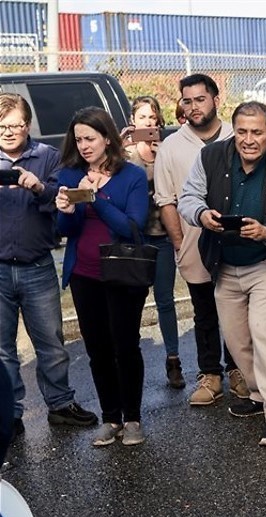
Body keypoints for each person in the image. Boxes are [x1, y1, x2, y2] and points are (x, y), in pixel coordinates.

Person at [178, 101, 266, 446]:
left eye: (257, 132)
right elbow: (187, 198)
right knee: (237, 340)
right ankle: (256, 393)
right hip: (224, 263)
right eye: (241, 131)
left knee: (264, 334)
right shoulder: (211, 157)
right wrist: (202, 215)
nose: (248, 139)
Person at [0, 93, 97, 442]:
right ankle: (10, 414)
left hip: (37, 264)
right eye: (3, 126)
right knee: (3, 348)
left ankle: (60, 405)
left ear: (28, 126)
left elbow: (63, 198)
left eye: (16, 125)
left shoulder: (46, 156)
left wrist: (38, 186)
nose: (10, 132)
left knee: (52, 343)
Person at [55, 107, 150, 447]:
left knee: (125, 346)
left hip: (122, 272)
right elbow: (66, 229)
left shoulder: (132, 176)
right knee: (97, 349)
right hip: (84, 274)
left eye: (90, 138)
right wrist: (67, 210)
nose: (83, 145)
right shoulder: (69, 174)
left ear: (107, 138)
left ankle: (133, 418)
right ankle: (111, 418)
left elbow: (132, 227)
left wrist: (98, 197)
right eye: (78, 139)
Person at [154, 74, 248, 406]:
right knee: (204, 311)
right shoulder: (171, 146)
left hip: (238, 242)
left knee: (238, 310)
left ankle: (239, 370)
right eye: (187, 101)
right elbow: (166, 200)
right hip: (194, 245)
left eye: (200, 99)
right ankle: (210, 374)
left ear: (215, 100)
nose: (194, 106)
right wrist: (179, 241)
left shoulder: (238, 135)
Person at [123, 96, 184, 389]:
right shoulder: (123, 154)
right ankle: (128, 358)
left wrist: (163, 158)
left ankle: (173, 359)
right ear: (132, 121)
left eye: (152, 118)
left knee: (165, 300)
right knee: (132, 302)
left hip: (160, 234)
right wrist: (122, 151)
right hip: (134, 238)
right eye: (142, 117)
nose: (148, 122)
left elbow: (176, 188)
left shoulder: (166, 149)